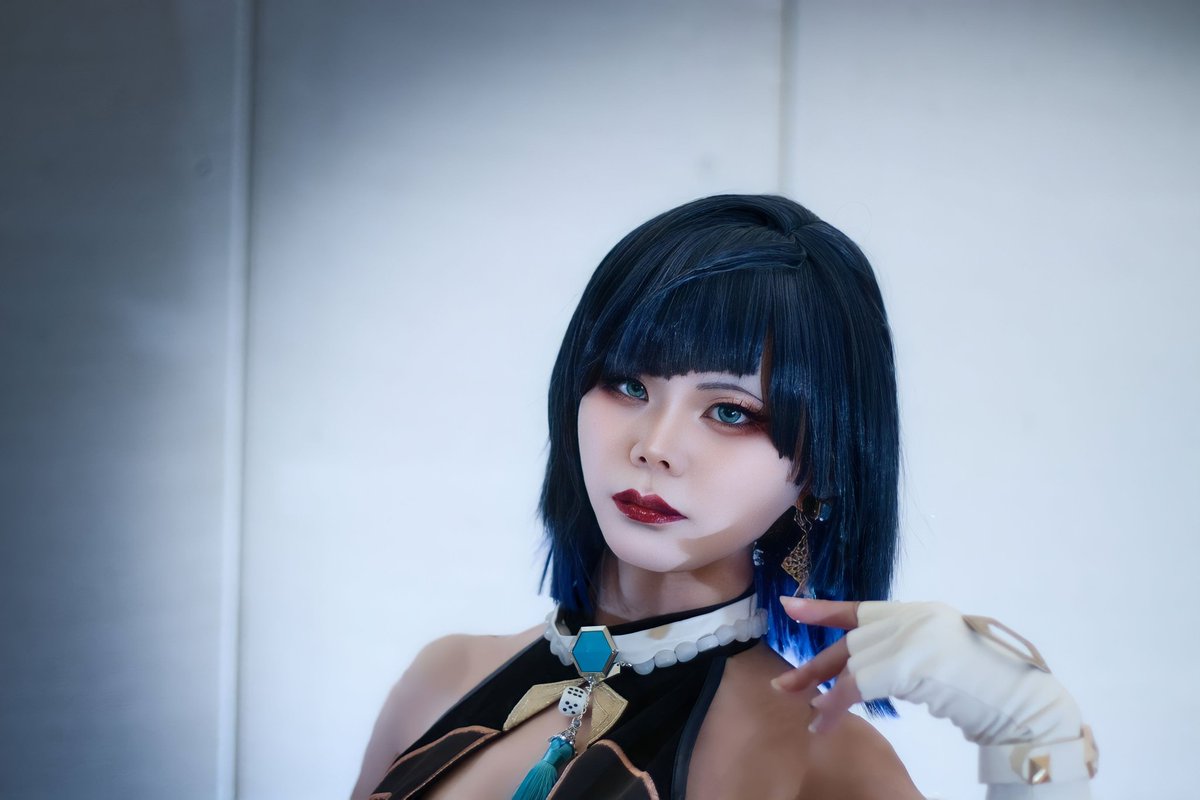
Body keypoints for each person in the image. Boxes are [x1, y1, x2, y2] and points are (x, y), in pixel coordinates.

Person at [351, 195, 1097, 799]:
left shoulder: (820, 758)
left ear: (820, 464)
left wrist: (1030, 728)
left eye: (731, 413)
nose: (655, 445)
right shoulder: (443, 678)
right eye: (628, 384)